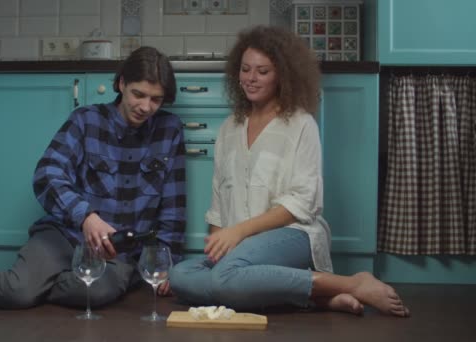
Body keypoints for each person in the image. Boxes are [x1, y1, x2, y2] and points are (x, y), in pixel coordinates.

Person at [0, 46, 187, 309]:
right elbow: (47, 174)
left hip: (118, 252)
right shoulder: (85, 120)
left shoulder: (169, 130)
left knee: (99, 291)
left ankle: (38, 284)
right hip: (64, 234)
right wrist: (86, 217)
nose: (145, 107)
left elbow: (173, 209)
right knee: (16, 292)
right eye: (138, 94)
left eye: (155, 100)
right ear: (122, 84)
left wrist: (166, 264)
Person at [168, 25, 410, 317]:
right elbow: (219, 203)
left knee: (225, 278)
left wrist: (238, 233)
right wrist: (219, 246)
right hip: (239, 249)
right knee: (180, 275)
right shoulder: (229, 128)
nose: (251, 79)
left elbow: (302, 201)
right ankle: (319, 297)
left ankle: (353, 283)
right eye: (245, 69)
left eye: (262, 71)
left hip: (293, 235)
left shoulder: (300, 123)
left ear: (282, 74)